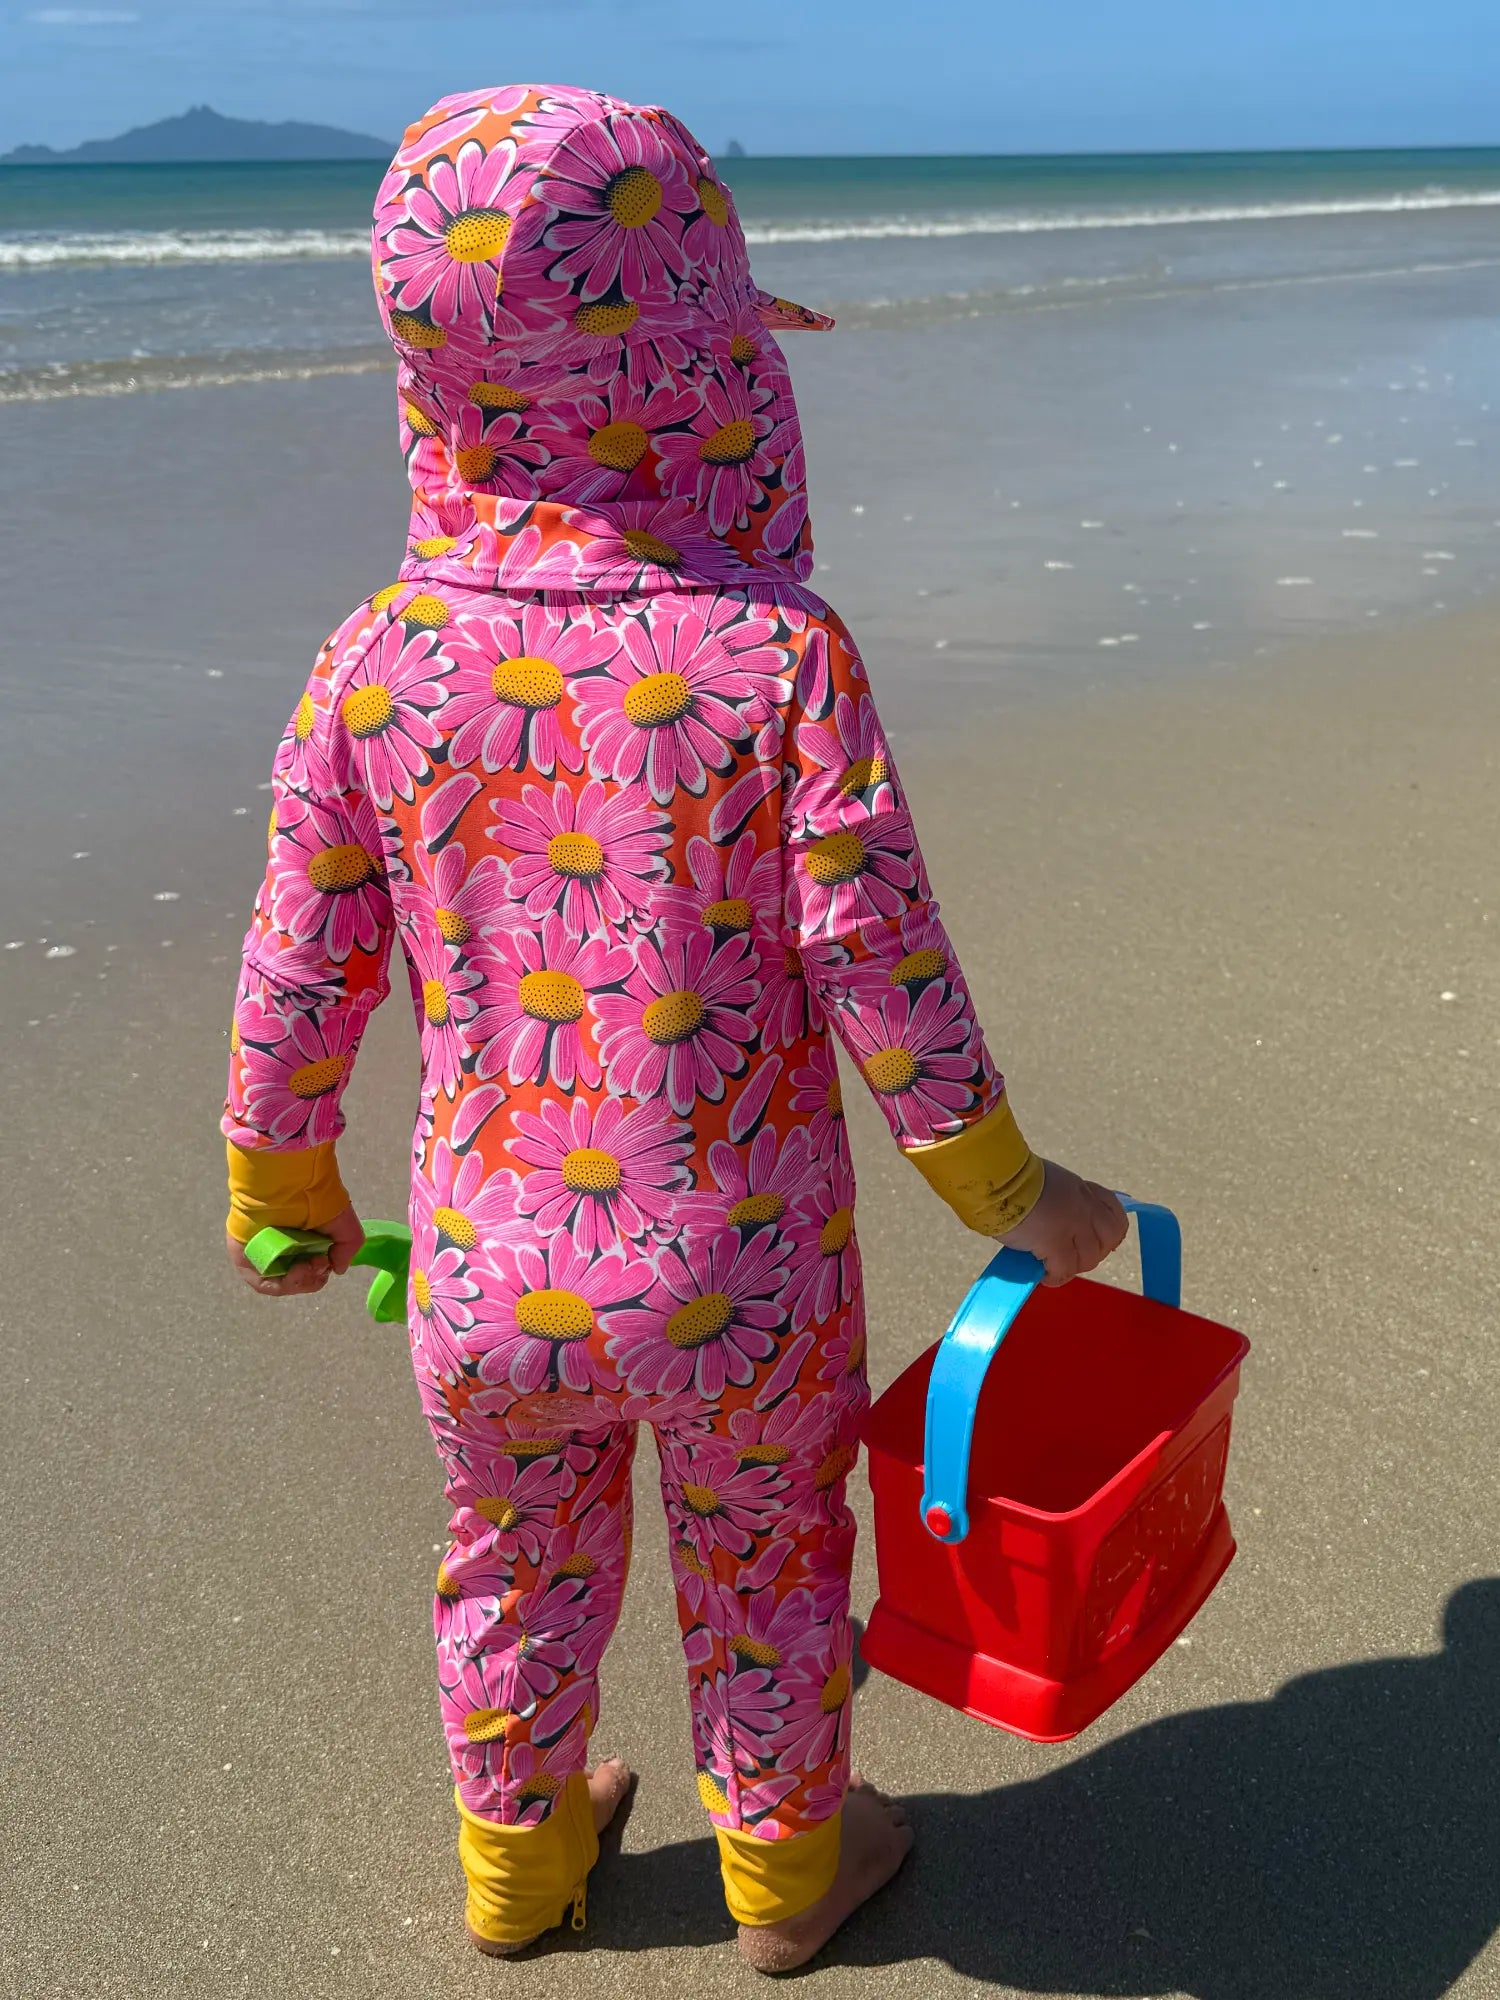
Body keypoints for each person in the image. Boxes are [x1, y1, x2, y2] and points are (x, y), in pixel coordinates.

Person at [221, 83, 1128, 1972]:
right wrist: (1007, 1191)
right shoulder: (769, 653)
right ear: (709, 383)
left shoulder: (376, 658)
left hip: (487, 1272)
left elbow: (303, 958)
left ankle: (521, 1872)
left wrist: (281, 1178)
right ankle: (789, 1875)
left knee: (517, 1566)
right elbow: (883, 961)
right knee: (768, 1556)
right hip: (740, 1265)